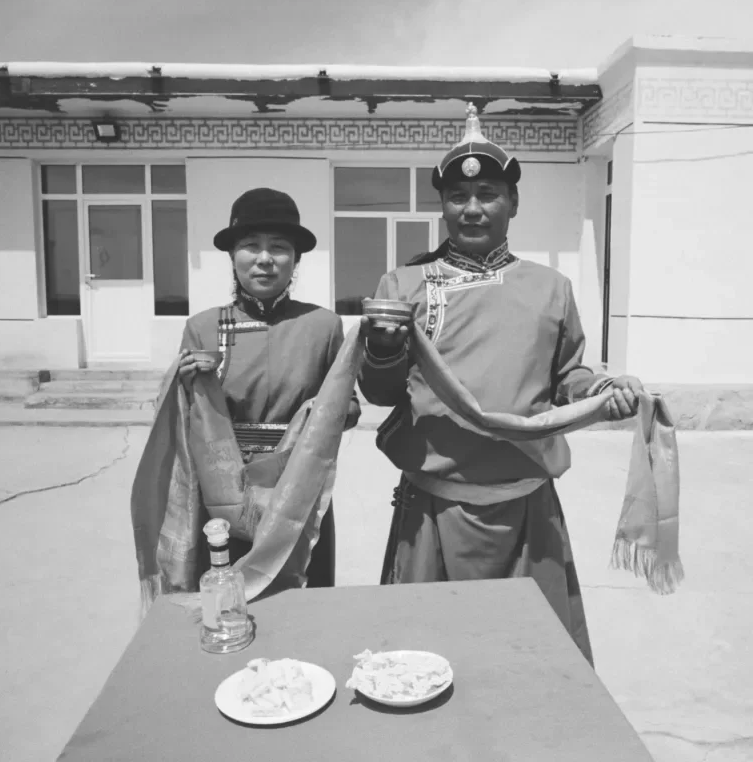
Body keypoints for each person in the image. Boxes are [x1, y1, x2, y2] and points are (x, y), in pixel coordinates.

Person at [358, 105, 643, 666]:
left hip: (525, 507)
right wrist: (385, 349)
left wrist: (603, 393)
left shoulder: (551, 288)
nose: (472, 208)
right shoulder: (404, 284)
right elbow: (382, 394)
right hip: (433, 508)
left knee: (529, 658)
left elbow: (568, 378)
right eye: (458, 197)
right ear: (441, 204)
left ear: (513, 202)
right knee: (425, 657)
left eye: (488, 194)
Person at [177, 187, 361, 588]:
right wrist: (185, 388)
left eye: (278, 247)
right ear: (232, 256)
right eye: (250, 246)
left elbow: (348, 408)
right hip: (223, 489)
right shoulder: (203, 327)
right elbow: (176, 419)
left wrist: (333, 412)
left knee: (301, 591)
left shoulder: (324, 325)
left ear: (295, 259)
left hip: (299, 486)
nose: (264, 259)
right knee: (228, 594)